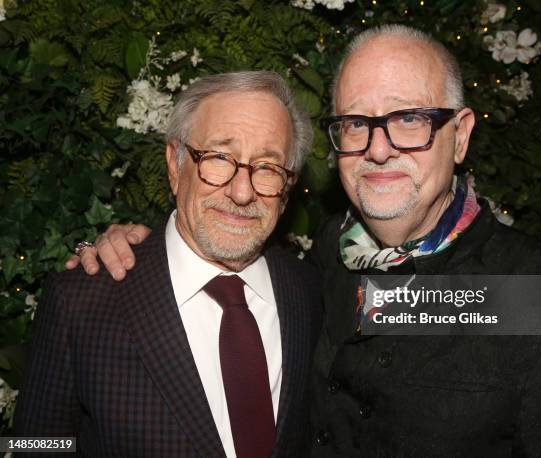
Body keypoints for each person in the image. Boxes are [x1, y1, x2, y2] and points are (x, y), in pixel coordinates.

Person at [67, 26, 541, 456]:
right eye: (355, 123)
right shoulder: (324, 261)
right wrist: (142, 249)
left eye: (410, 119)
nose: (378, 149)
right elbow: (29, 444)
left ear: (461, 134)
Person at [15, 71, 322, 458]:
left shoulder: (309, 291)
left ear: (287, 188)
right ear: (176, 166)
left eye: (267, 168)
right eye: (219, 158)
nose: (242, 192)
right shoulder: (80, 300)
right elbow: (31, 445)